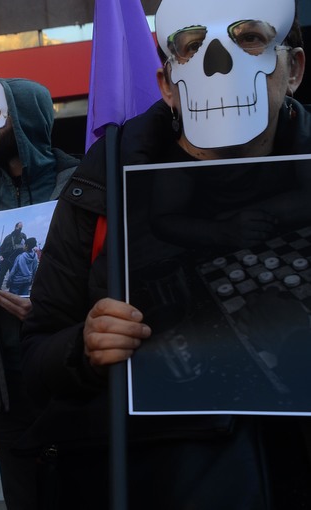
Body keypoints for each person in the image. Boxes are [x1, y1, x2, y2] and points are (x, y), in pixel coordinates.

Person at [22, 0, 311, 507]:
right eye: (192, 45)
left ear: (294, 70)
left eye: (250, 38)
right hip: (157, 483)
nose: (219, 64)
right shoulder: (103, 180)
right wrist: (85, 347)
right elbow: (36, 350)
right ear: (165, 83)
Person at [0, 78, 78, 509]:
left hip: (70, 380)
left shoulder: (83, 185)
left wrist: (55, 310)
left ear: (23, 120)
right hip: (4, 385)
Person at [0, 221, 26, 292]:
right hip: (5, 259)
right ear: (15, 227)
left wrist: (33, 247)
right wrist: (0, 256)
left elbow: (27, 245)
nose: (20, 229)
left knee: (14, 276)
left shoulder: (23, 236)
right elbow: (1, 249)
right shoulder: (8, 237)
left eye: (21, 228)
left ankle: (13, 291)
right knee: (1, 275)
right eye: (19, 227)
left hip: (15, 260)